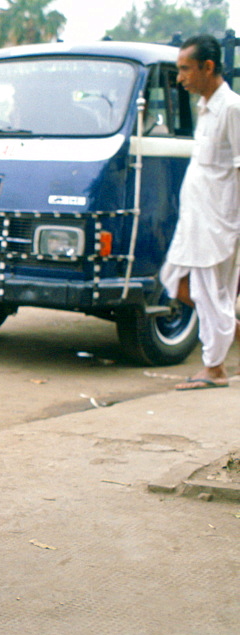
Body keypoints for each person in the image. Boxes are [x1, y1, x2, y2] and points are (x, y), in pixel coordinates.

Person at [160, 34, 240, 391]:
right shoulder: (205, 106)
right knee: (173, 280)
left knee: (211, 293)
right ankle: (228, 331)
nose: (180, 78)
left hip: (218, 221)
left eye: (185, 69)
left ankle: (215, 368)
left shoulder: (233, 109)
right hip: (194, 219)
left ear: (208, 67)